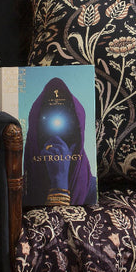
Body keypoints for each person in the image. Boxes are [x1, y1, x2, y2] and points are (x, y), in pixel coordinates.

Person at [23, 76, 97, 205]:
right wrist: (59, 184)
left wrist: (59, 183)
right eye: (46, 126)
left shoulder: (92, 188)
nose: (56, 138)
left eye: (66, 127)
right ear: (34, 133)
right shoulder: (19, 189)